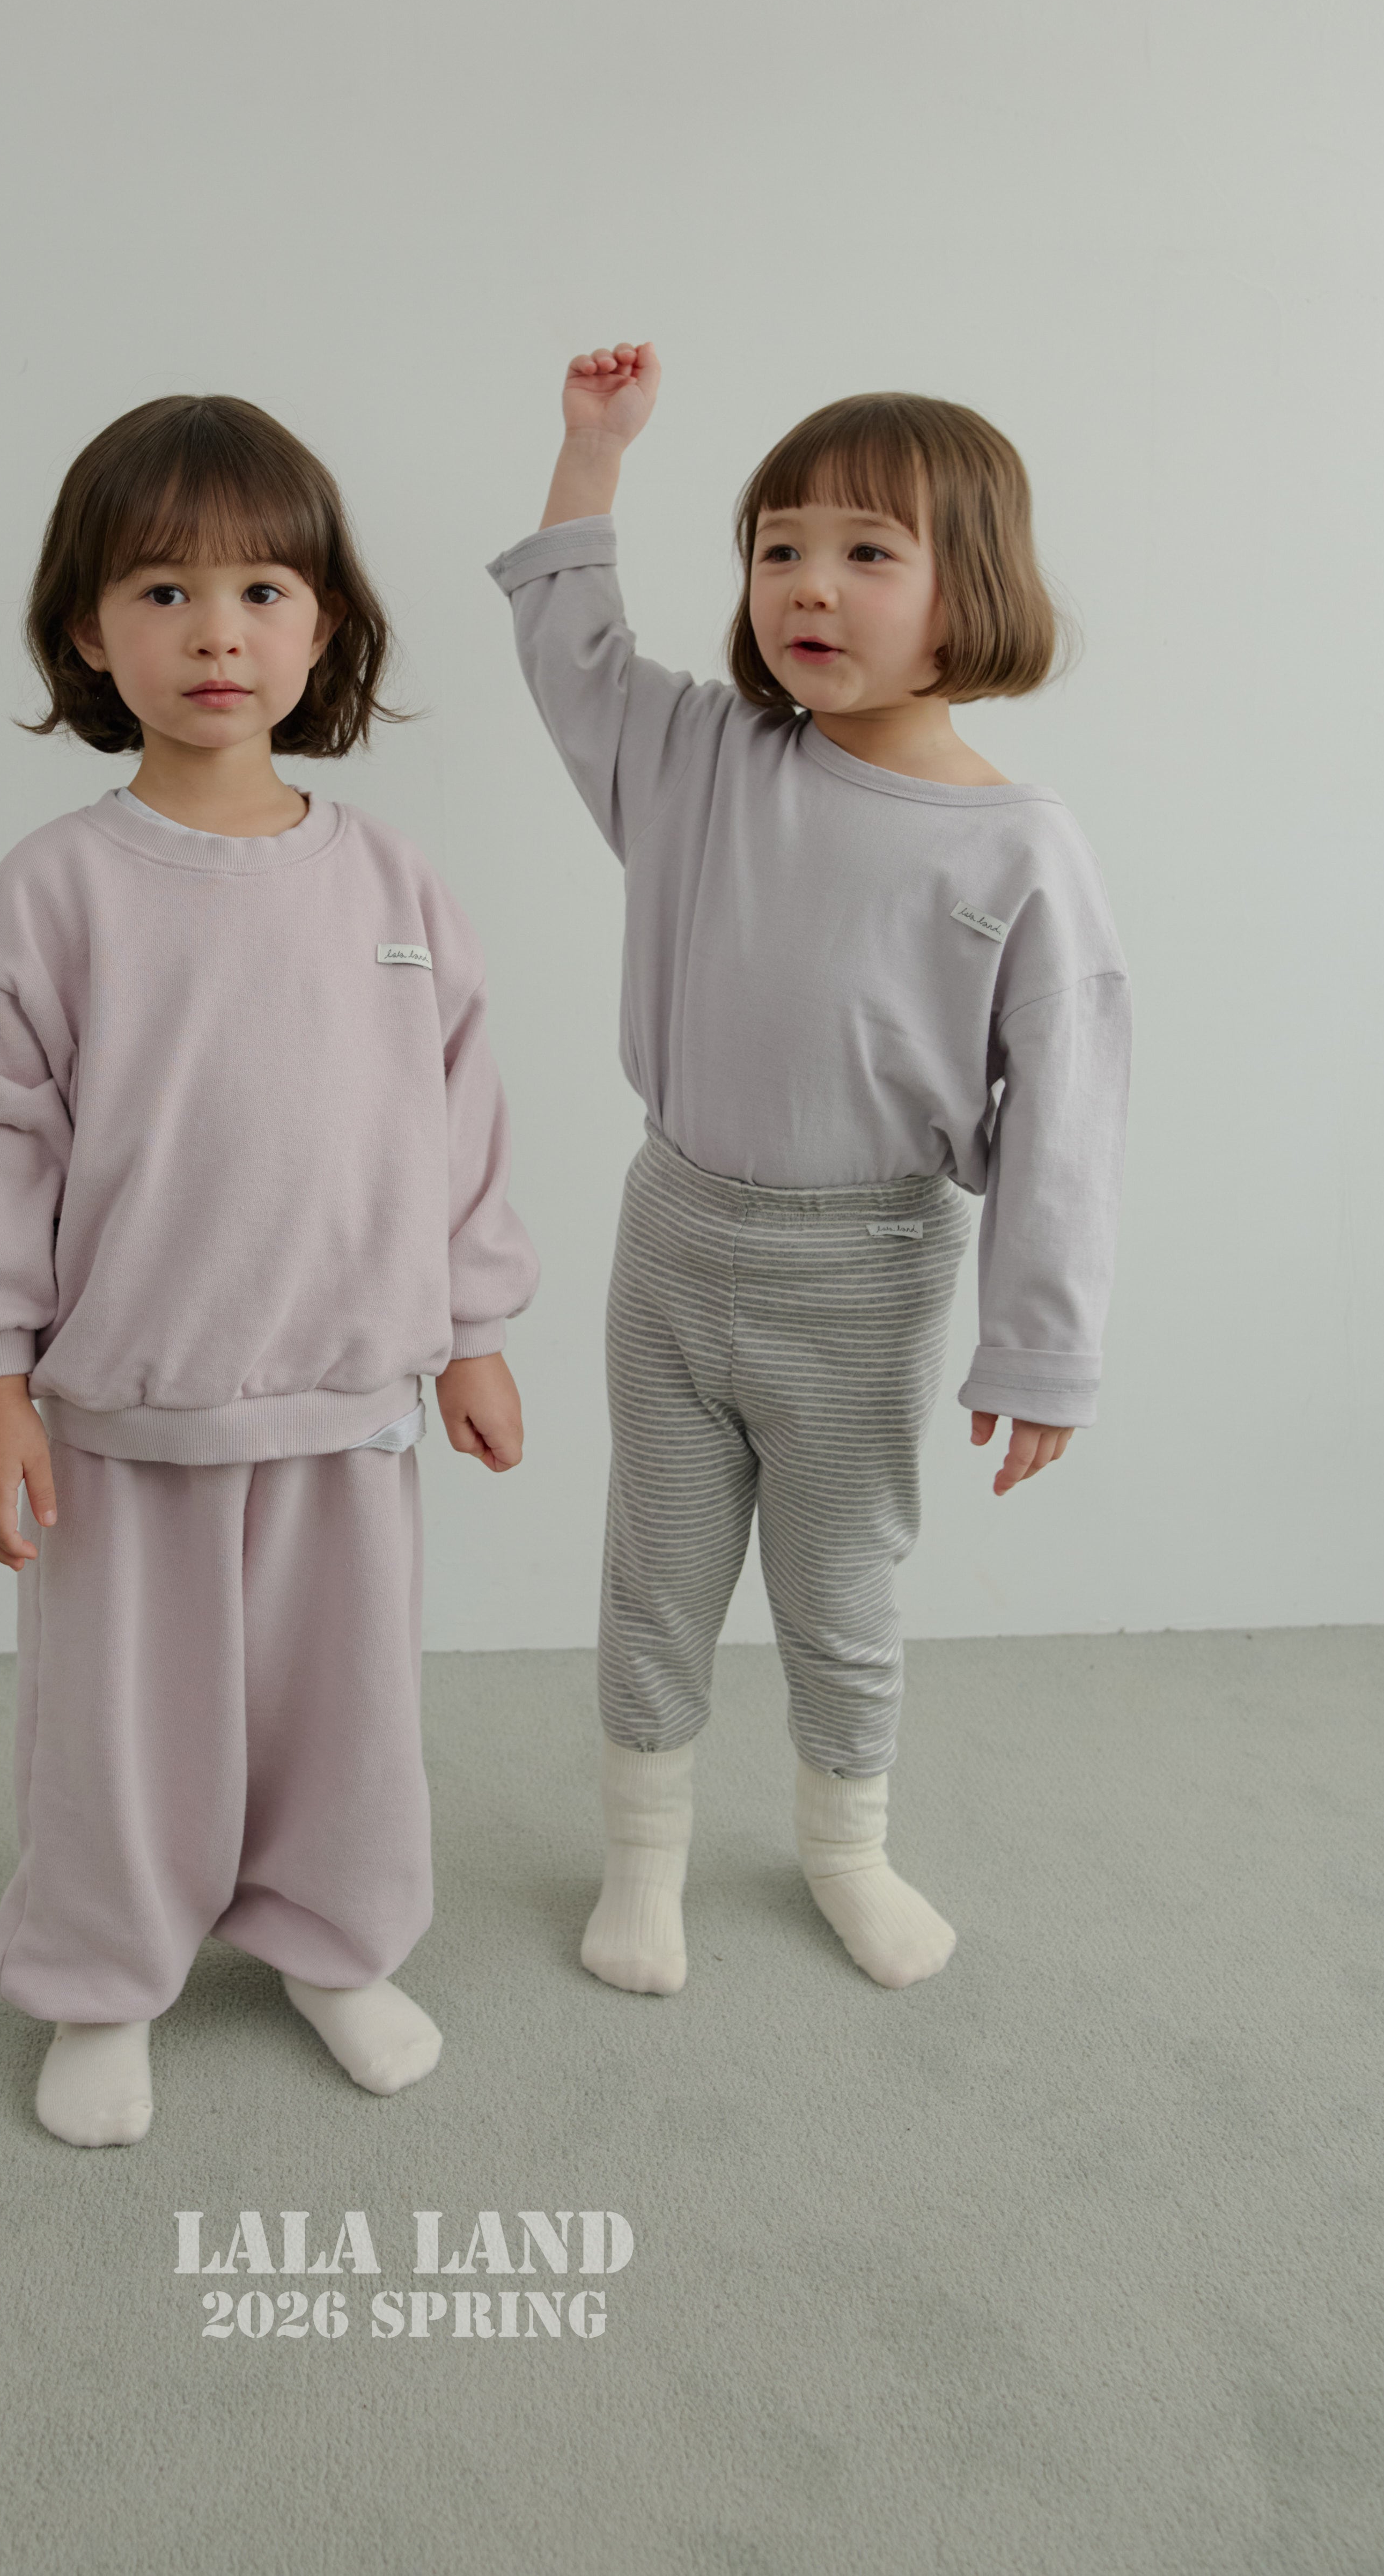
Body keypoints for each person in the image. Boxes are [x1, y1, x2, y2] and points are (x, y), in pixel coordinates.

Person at [0, 394, 536, 2145]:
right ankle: (103, 1977)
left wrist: (477, 1330)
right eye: (165, 592)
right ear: (86, 633)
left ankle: (336, 1943)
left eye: (262, 591)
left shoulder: (394, 883)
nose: (217, 633)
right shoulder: (49, 897)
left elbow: (462, 1120)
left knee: (349, 1712)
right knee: (120, 1732)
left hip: (354, 1393)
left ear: (324, 628)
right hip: (127, 1408)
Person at [490, 345, 1128, 1994]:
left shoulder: (1018, 847)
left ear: (968, 591)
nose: (808, 587)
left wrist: (1041, 1348)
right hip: (673, 1246)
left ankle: (847, 1849)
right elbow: (571, 655)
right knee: (657, 1573)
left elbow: (1067, 1117)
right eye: (778, 549)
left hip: (866, 1278)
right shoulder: (704, 760)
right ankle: (644, 1860)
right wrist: (593, 454)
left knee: (841, 1592)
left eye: (865, 552)